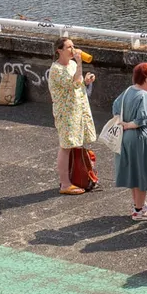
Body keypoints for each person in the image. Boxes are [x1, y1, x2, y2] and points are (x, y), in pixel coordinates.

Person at [113, 63, 147, 220]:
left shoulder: (128, 91)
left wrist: (124, 124)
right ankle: (139, 211)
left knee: (133, 173)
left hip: (127, 138)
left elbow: (115, 107)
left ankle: (138, 205)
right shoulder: (144, 96)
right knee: (142, 174)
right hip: (140, 138)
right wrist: (131, 124)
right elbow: (142, 118)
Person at [47, 38, 97, 195]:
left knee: (75, 143)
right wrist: (80, 63)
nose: (73, 49)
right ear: (59, 51)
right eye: (69, 47)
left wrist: (86, 81)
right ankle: (65, 184)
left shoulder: (72, 64)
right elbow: (72, 83)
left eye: (73, 46)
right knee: (66, 146)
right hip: (67, 113)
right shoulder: (56, 69)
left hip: (77, 110)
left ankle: (76, 177)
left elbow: (78, 83)